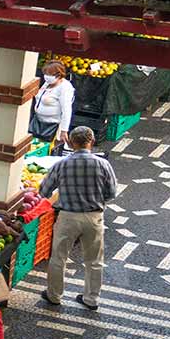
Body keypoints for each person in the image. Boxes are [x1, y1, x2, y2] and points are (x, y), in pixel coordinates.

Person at [39, 126, 119, 312]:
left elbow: (44, 191)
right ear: (91, 141)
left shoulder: (61, 164)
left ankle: (54, 295)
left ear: (70, 142)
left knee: (59, 257)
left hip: (67, 217)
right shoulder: (103, 164)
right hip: (94, 216)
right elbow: (112, 192)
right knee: (94, 260)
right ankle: (91, 298)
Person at [29, 60, 76, 152]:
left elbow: (67, 110)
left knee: (46, 149)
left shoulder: (65, 88)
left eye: (49, 74)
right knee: (34, 147)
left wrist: (64, 130)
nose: (46, 77)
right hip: (38, 122)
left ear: (58, 75)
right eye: (45, 73)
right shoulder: (47, 83)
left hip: (53, 126)